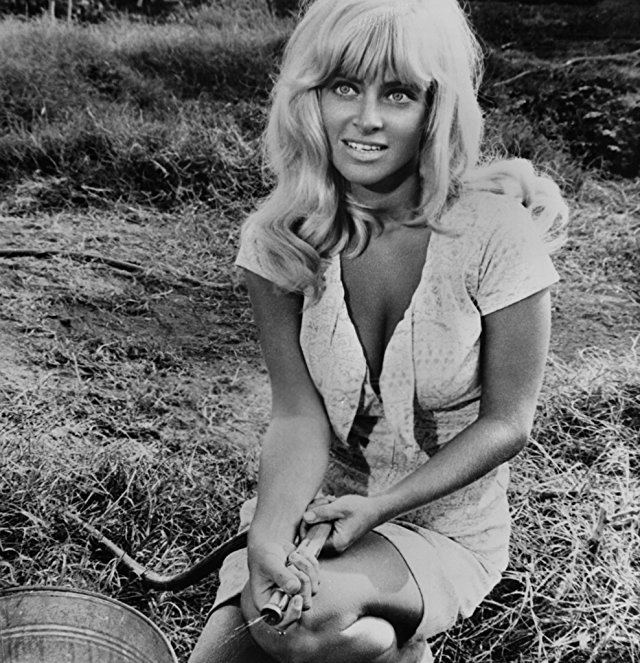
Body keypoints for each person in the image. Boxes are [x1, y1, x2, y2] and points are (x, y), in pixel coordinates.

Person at [189, 0, 567, 661]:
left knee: (305, 627)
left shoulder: (496, 236)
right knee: (242, 639)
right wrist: (271, 537)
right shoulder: (280, 241)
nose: (365, 117)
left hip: (443, 526)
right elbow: (297, 415)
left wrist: (379, 507)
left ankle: (395, 650)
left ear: (436, 108)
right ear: (311, 95)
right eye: (343, 86)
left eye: (396, 92)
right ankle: (387, 650)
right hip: (320, 511)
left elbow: (509, 422)